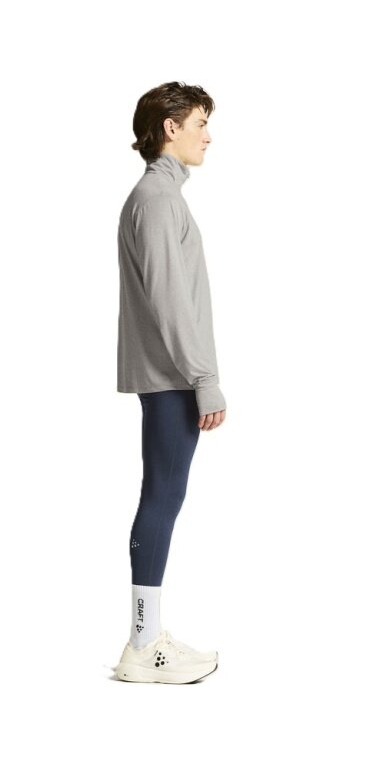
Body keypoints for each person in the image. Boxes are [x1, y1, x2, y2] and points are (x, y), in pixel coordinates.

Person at [113, 82, 227, 684]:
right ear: (170, 128)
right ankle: (142, 645)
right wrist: (204, 379)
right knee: (160, 497)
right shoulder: (157, 200)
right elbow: (171, 303)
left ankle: (146, 636)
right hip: (172, 377)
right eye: (200, 123)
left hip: (169, 374)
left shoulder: (161, 196)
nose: (208, 135)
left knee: (162, 495)